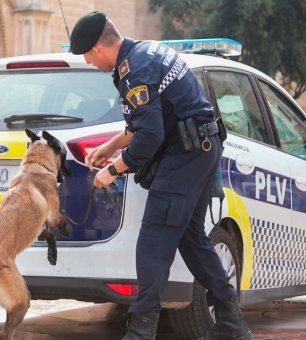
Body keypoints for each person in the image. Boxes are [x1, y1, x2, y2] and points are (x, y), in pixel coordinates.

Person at [70, 11, 251, 340]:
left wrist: (113, 169)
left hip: (186, 154)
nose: (88, 62)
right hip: (200, 148)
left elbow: (150, 136)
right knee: (192, 239)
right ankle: (232, 325)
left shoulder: (135, 70)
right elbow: (141, 121)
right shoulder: (144, 53)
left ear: (97, 48)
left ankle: (141, 333)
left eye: (86, 55)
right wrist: (109, 147)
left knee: (154, 242)